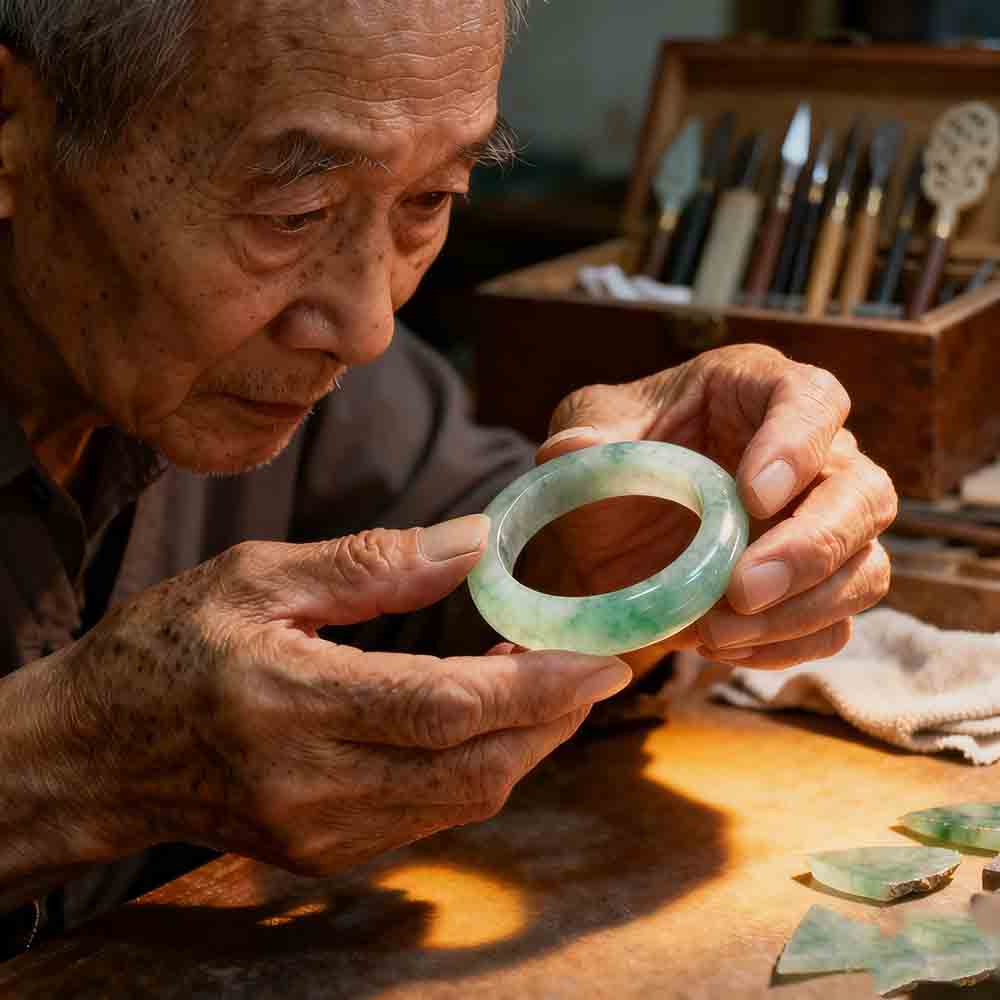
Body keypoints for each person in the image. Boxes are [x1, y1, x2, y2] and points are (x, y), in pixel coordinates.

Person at [0, 0, 896, 956]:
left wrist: (604, 559)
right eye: (292, 213)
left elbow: (488, 573)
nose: (367, 327)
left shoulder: (290, 368)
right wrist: (63, 762)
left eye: (430, 201)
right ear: (16, 125)